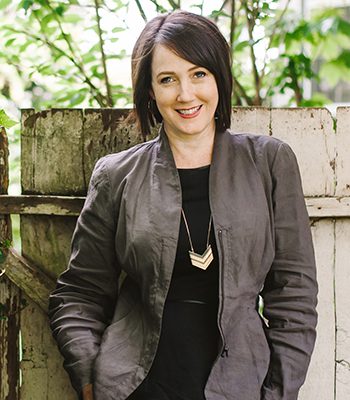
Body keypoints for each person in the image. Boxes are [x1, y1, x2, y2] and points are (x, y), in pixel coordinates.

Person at [48, 10, 318, 400]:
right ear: (150, 92)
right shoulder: (116, 175)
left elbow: (294, 295)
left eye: (198, 74)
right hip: (136, 386)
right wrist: (90, 382)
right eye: (167, 79)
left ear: (219, 79)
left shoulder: (270, 163)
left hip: (241, 384)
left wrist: (278, 391)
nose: (185, 94)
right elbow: (79, 293)